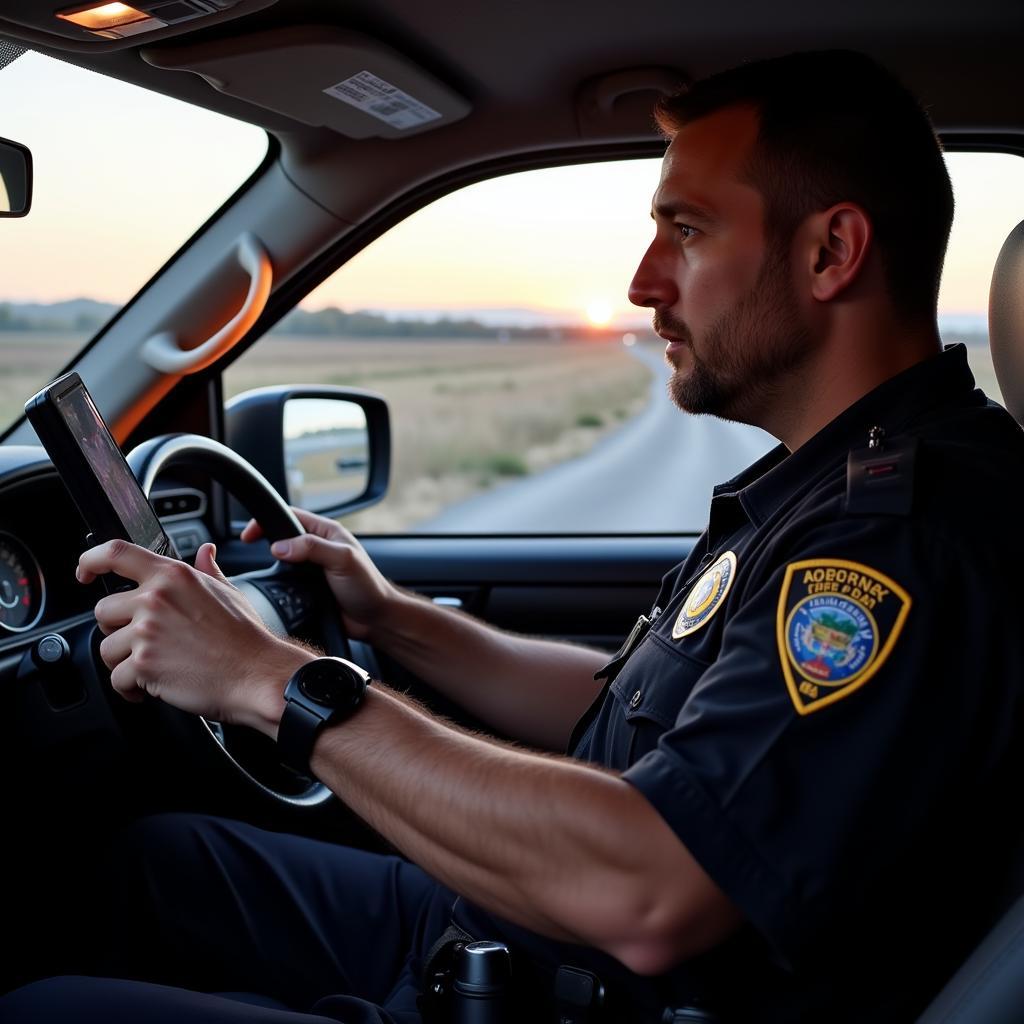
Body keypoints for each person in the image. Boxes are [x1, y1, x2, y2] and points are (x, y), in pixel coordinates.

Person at [4, 49, 1023, 1023]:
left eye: (688, 230)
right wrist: (393, 618)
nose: (642, 280)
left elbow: (653, 888)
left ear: (830, 252)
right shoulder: (830, 481)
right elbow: (624, 707)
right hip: (508, 940)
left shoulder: (900, 540)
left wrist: (269, 678)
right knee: (148, 865)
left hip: (587, 983)